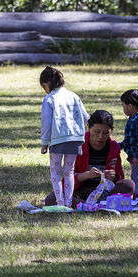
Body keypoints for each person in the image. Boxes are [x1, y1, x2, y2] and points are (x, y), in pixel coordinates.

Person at [45, 110, 134, 206]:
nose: (100, 136)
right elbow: (67, 177)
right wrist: (86, 175)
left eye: (105, 133)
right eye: (97, 131)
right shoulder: (78, 145)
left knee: (128, 185)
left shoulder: (113, 147)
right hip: (79, 190)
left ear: (110, 131)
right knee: (51, 199)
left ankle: (84, 204)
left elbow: (120, 176)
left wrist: (114, 177)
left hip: (104, 190)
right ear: (89, 128)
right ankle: (89, 203)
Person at [39, 66, 88, 208]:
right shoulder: (74, 96)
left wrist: (44, 143)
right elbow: (85, 117)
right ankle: (68, 202)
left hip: (58, 140)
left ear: (46, 84)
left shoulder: (49, 99)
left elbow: (46, 123)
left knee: (55, 171)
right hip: (76, 139)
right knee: (69, 172)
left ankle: (60, 203)